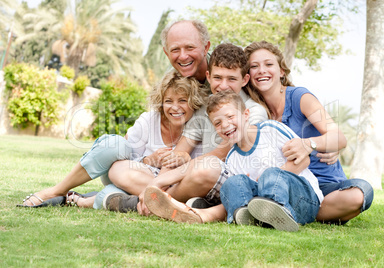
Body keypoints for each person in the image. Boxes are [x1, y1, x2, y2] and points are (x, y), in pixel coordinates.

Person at [106, 43, 268, 219]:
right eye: (218, 78)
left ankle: (150, 203)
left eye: (231, 79)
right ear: (208, 76)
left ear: (244, 80)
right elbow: (179, 152)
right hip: (194, 178)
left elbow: (222, 153)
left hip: (228, 179)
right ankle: (172, 200)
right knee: (118, 169)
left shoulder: (252, 111)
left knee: (207, 168)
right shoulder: (205, 107)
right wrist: (156, 184)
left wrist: (161, 183)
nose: (223, 85)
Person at [18, 71, 206, 208]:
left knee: (112, 195)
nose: (175, 107)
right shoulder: (149, 120)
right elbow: (125, 157)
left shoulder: (198, 128)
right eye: (169, 101)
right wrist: (150, 160)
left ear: (193, 102)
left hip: (154, 185)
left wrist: (184, 160)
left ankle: (82, 201)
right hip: (128, 173)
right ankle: (57, 190)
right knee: (116, 147)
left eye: (183, 101)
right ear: (161, 101)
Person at [143, 91, 324, 232]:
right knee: (234, 183)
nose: (226, 125)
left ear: (246, 115)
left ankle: (281, 212)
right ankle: (244, 214)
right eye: (218, 123)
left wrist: (267, 181)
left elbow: (303, 161)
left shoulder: (271, 129)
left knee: (271, 175)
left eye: (230, 117)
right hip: (262, 204)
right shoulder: (233, 158)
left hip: (302, 199)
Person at [243, 40, 373, 224]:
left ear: (281, 71)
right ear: (248, 75)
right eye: (254, 66)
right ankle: (293, 209)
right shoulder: (255, 112)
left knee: (361, 192)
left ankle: (294, 211)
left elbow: (339, 136)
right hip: (292, 184)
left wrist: (308, 144)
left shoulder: (299, 97)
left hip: (326, 185)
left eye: (268, 64)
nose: (261, 70)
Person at [161, 20, 210, 84]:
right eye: (175, 49)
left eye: (190, 47)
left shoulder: (225, 68)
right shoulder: (167, 86)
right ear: (167, 53)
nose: (183, 57)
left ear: (206, 48)